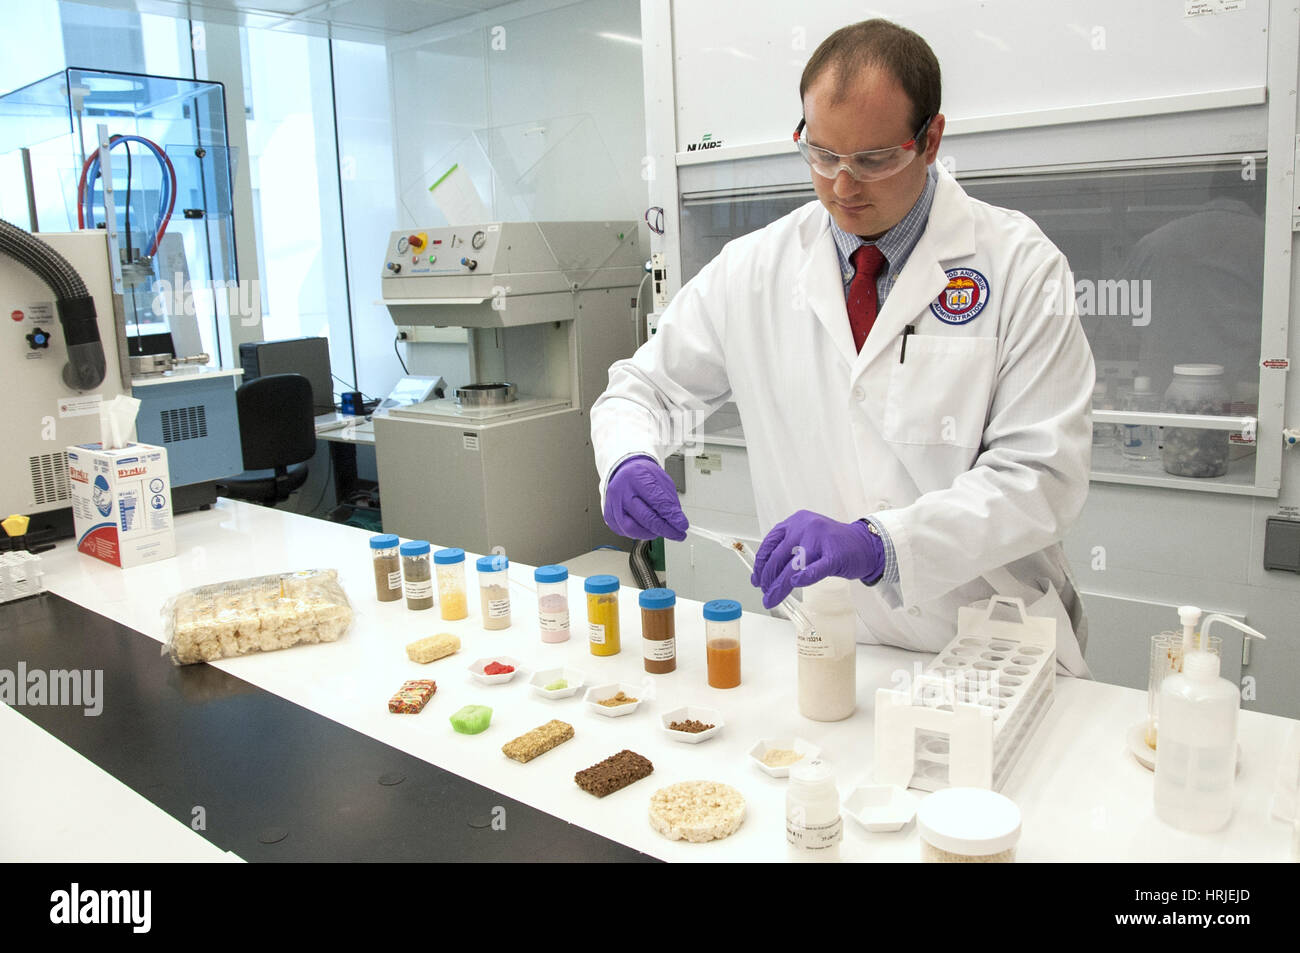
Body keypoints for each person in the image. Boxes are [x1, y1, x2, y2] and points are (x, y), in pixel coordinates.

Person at [590, 19, 1096, 675]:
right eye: (822, 154)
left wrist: (885, 546)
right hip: (825, 641)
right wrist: (629, 458)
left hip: (985, 649)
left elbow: (1042, 479)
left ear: (931, 140)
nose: (841, 185)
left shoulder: (1020, 267)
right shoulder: (756, 269)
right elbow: (644, 388)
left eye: (873, 159)